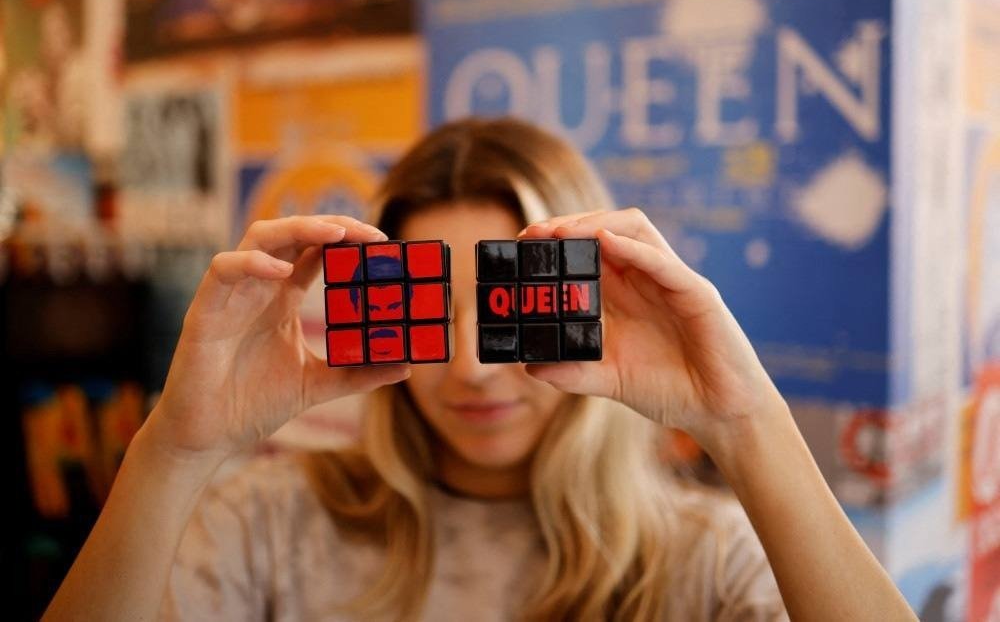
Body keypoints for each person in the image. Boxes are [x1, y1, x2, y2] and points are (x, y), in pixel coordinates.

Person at [43, 118, 916, 621]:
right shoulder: (268, 523)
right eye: (438, 311)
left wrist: (746, 422)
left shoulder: (709, 557)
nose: (470, 368)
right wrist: (176, 452)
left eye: (504, 313)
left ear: (587, 305)